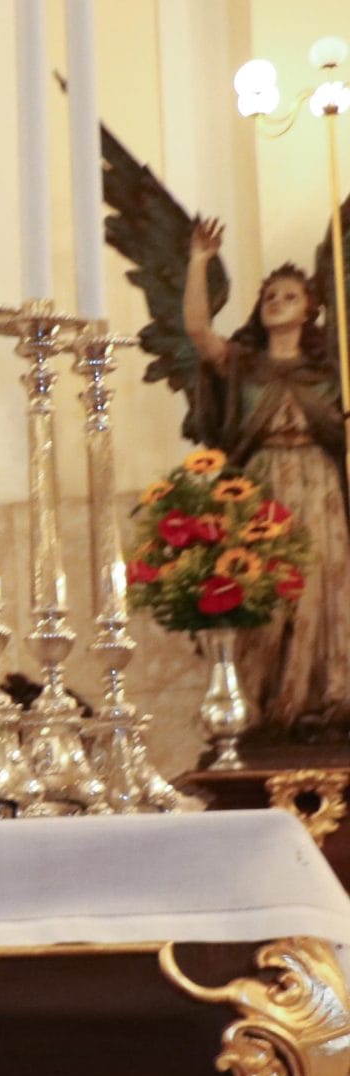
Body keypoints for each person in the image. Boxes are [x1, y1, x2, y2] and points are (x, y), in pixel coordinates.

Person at [182, 217, 350, 732]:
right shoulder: (242, 366)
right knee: (264, 593)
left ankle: (323, 703)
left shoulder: (327, 373)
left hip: (319, 486)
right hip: (260, 489)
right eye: (270, 295)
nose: (277, 301)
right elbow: (196, 330)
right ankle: (258, 712)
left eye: (290, 295)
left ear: (311, 309)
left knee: (322, 588)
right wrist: (198, 261)